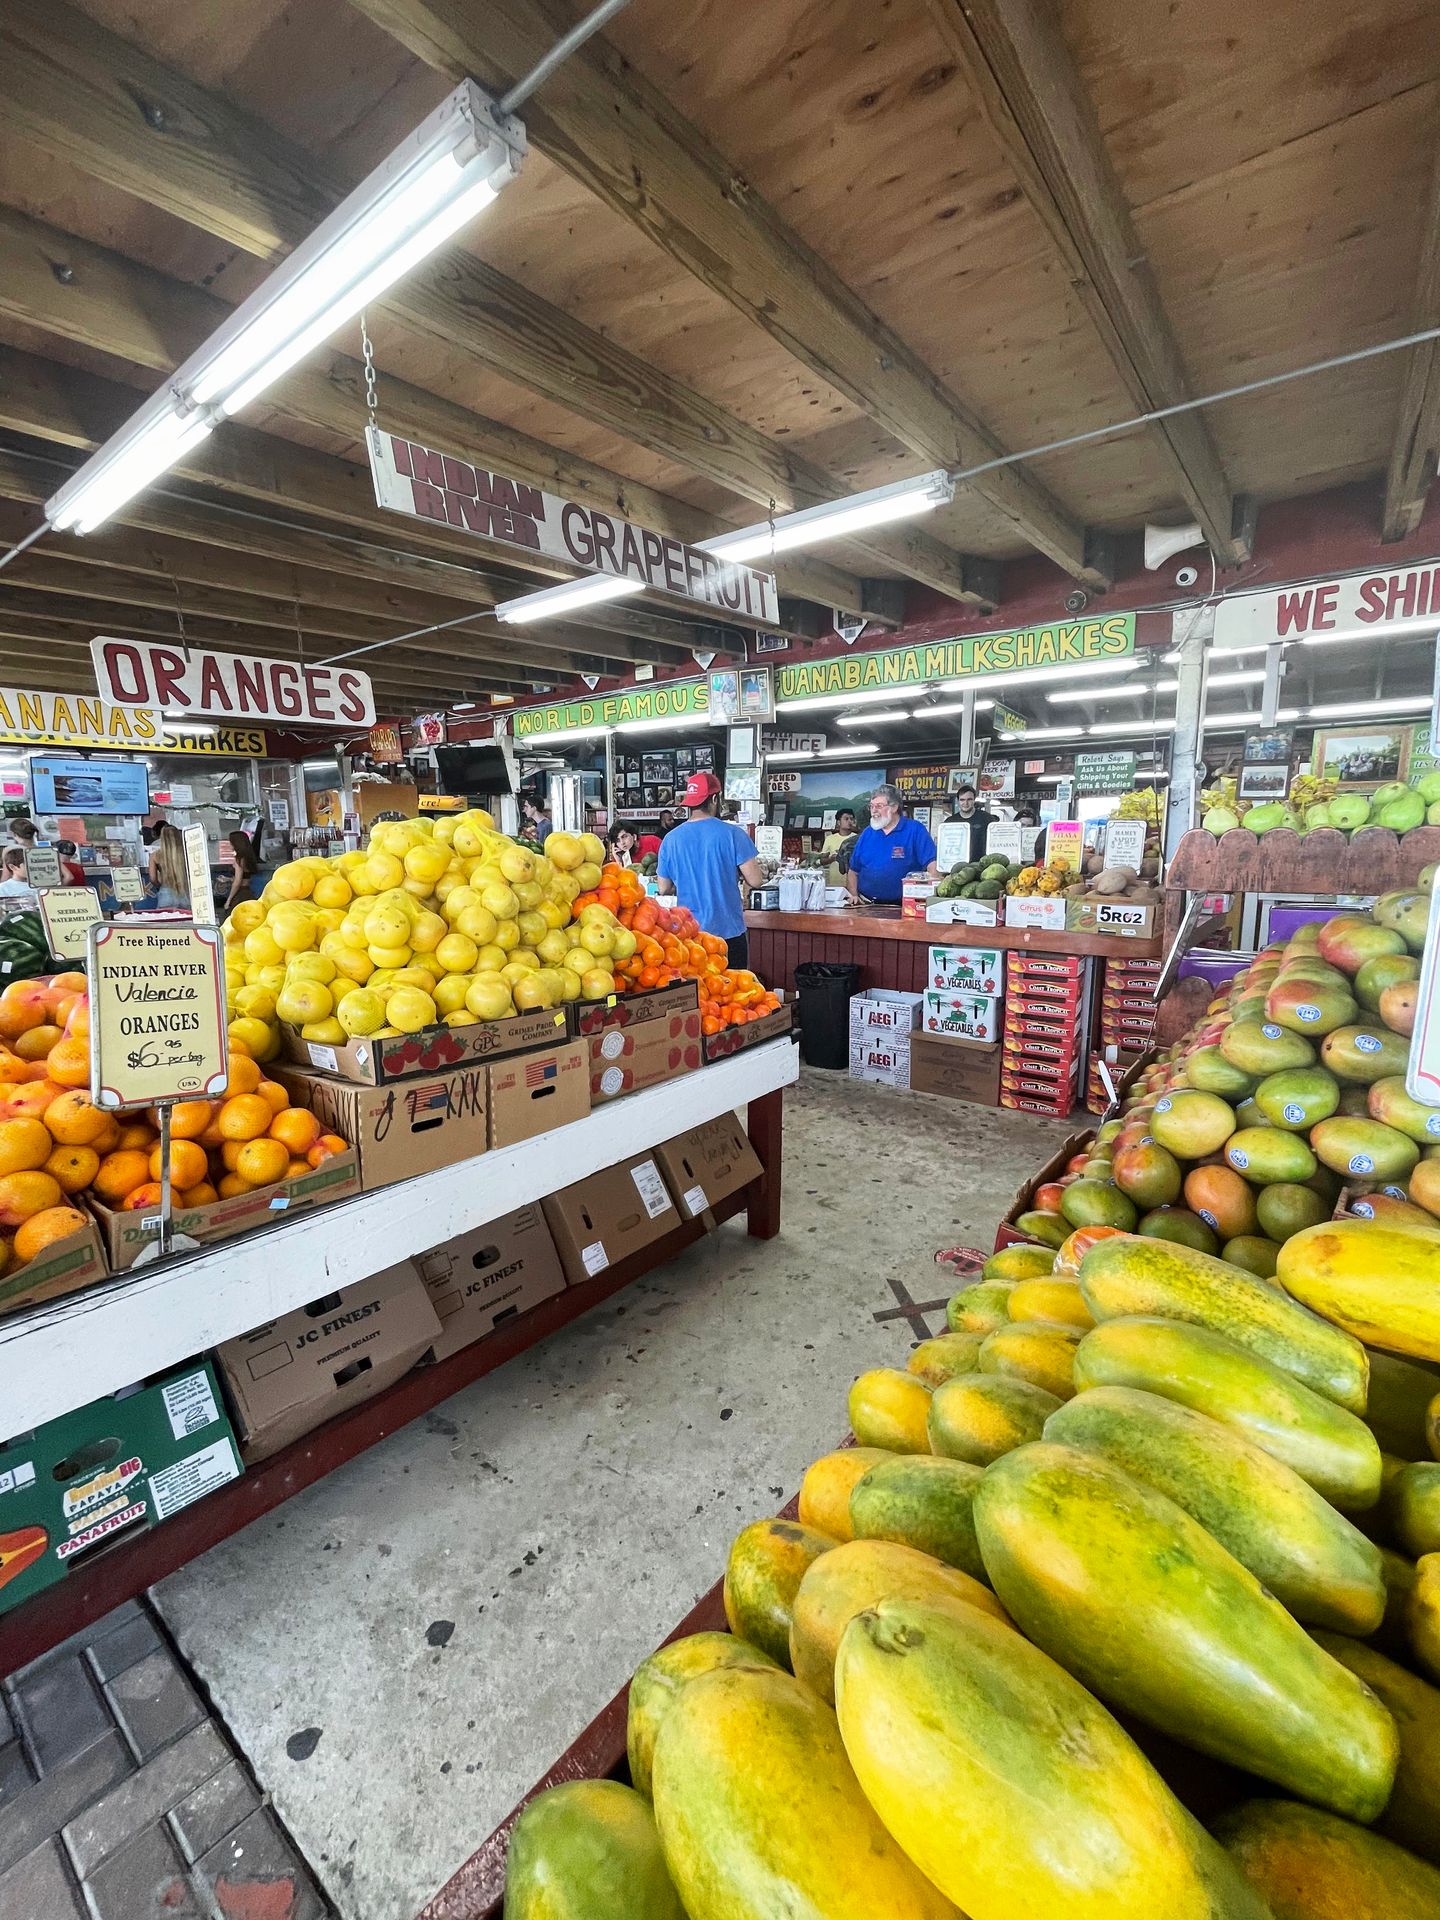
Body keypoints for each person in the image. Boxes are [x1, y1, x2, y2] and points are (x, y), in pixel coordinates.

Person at [656, 771, 766, 969]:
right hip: (728, 930)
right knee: (734, 991)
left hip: (690, 933)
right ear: (715, 799)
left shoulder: (670, 839)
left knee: (700, 995)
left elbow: (663, 888)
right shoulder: (733, 834)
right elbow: (756, 880)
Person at [847, 783, 939, 904]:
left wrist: (929, 898)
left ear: (894, 807)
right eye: (871, 806)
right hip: (867, 905)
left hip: (904, 906)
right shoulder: (867, 833)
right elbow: (853, 871)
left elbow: (933, 866)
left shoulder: (915, 830)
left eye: (879, 806)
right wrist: (853, 895)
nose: (874, 811)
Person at [148, 822, 189, 910]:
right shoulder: (186, 854)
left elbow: (153, 879)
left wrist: (161, 885)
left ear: (162, 838)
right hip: (185, 894)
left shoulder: (155, 855)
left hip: (165, 894)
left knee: (166, 922)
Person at [944, 783, 997, 851]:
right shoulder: (949, 822)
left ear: (974, 800)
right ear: (958, 801)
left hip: (982, 860)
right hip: (957, 860)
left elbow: (995, 841)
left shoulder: (987, 818)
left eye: (969, 799)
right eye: (962, 800)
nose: (966, 803)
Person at [818, 807, 858, 888]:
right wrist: (832, 859)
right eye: (846, 819)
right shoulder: (830, 839)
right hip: (834, 883)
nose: (850, 821)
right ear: (839, 822)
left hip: (854, 884)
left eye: (851, 819)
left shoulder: (857, 838)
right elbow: (822, 860)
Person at [223, 829, 259, 911]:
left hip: (240, 894)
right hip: (247, 892)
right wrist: (228, 879)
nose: (229, 845)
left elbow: (237, 881)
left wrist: (229, 900)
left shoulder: (239, 859)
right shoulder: (247, 857)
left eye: (230, 842)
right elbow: (244, 877)